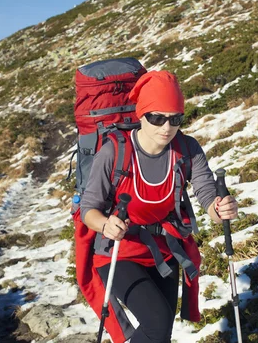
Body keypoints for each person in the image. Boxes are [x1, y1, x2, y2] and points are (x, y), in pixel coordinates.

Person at [78, 70, 239, 343]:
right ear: (141, 115)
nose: (167, 127)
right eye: (157, 117)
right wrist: (105, 224)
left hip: (164, 251)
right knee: (157, 322)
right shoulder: (114, 152)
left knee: (161, 332)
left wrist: (220, 208)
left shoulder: (187, 149)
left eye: (175, 118)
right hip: (118, 251)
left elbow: (207, 195)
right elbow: (88, 210)